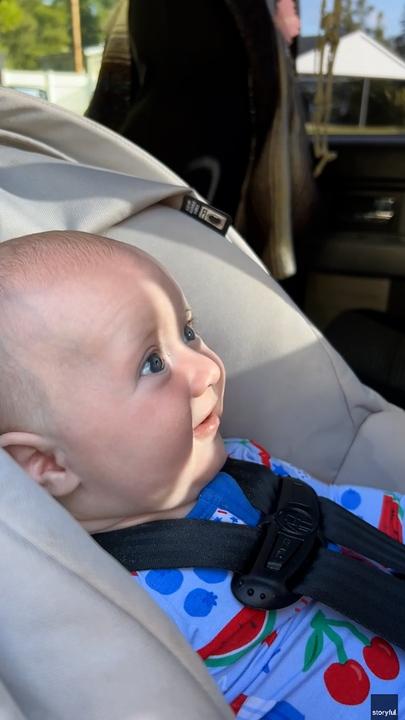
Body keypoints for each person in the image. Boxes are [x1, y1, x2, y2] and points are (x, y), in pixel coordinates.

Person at [0, 229, 403, 719]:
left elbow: (357, 516)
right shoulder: (119, 615)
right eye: (153, 362)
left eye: (188, 332)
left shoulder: (246, 465)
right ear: (46, 466)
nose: (207, 369)